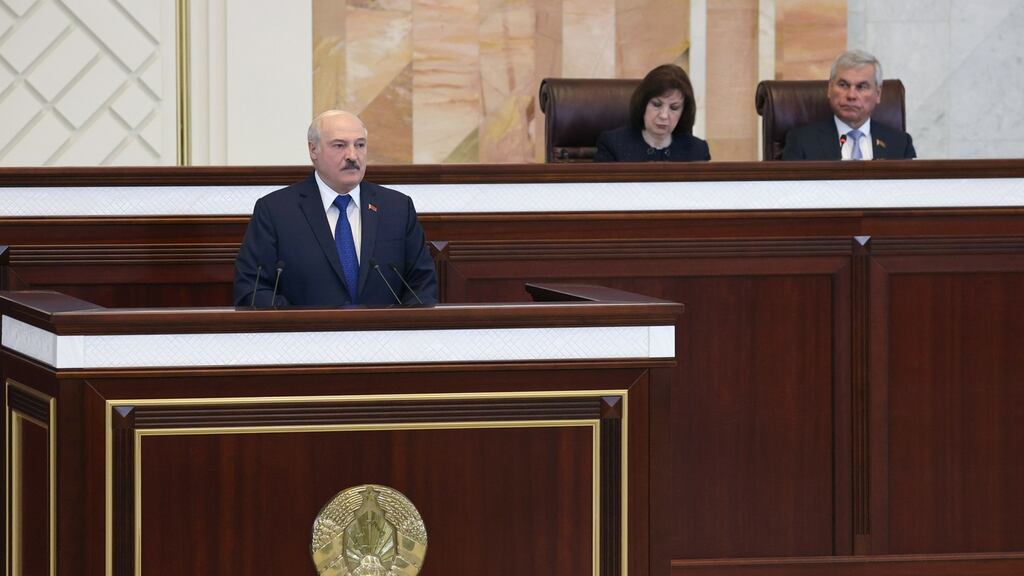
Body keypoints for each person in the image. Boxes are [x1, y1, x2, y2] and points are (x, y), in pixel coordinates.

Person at [234, 110, 438, 307]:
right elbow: (253, 289)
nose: (352, 155)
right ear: (313, 150)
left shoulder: (397, 207)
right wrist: (299, 323)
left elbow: (422, 285)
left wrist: (398, 325)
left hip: (384, 330)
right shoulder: (276, 211)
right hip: (306, 330)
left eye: (360, 145)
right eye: (339, 145)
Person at [782, 49, 916, 160]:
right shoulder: (802, 141)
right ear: (829, 89)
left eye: (862, 87)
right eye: (843, 85)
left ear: (878, 94)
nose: (851, 95)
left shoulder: (900, 144)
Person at [593, 64, 711, 162]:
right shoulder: (613, 145)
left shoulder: (698, 151)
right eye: (657, 105)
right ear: (643, 104)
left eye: (674, 108)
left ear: (683, 112)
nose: (664, 115)